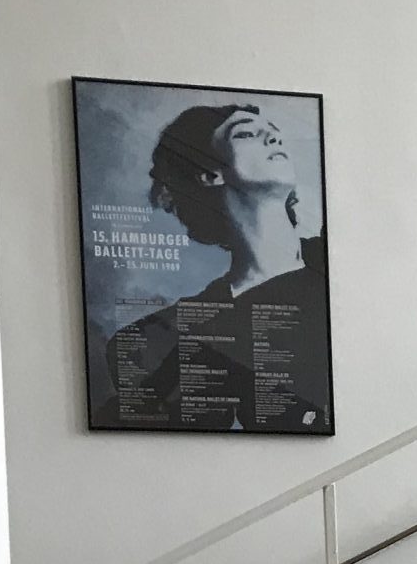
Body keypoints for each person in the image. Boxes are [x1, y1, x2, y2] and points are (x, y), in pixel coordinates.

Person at [92, 99, 332, 433]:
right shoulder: (165, 336)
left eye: (273, 131)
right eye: (246, 134)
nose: (273, 137)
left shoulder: (336, 265)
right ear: (209, 173)